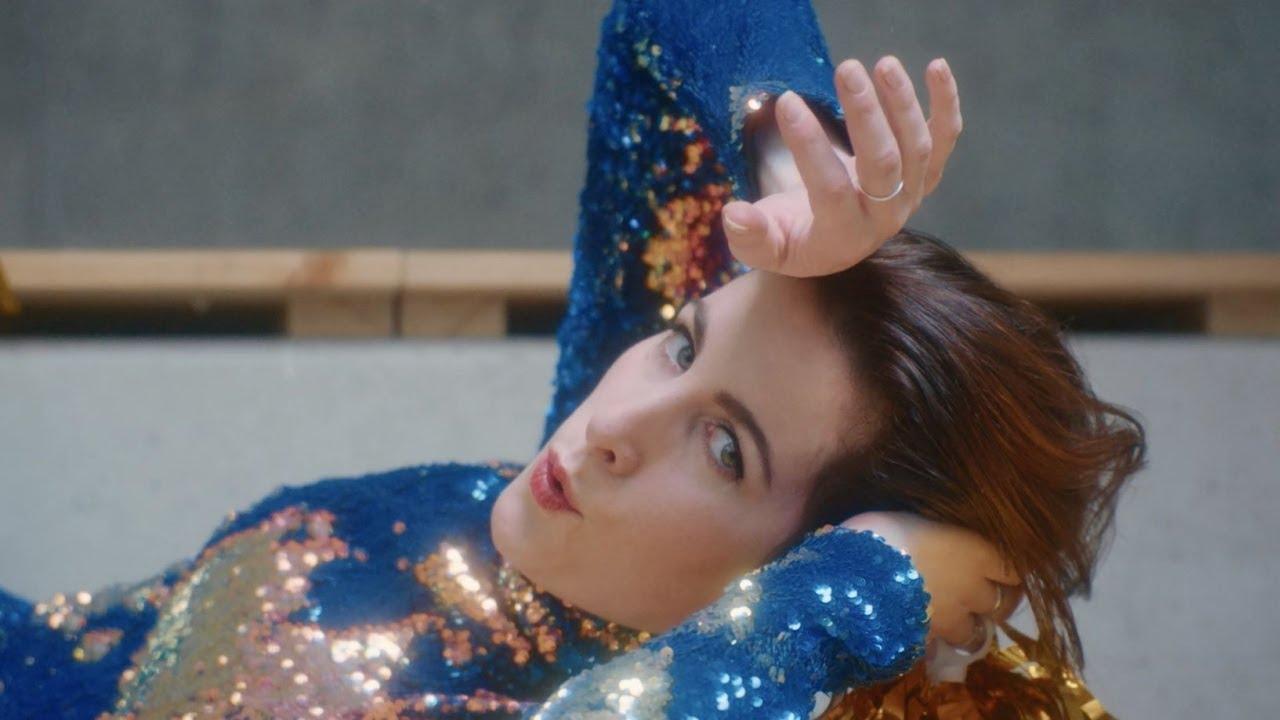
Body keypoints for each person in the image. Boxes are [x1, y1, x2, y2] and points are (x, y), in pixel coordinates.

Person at [0, 1, 1143, 718]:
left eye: (724, 449)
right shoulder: (577, 521)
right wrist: (786, 153)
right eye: (680, 342)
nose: (611, 427)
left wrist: (859, 592)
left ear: (799, 567)